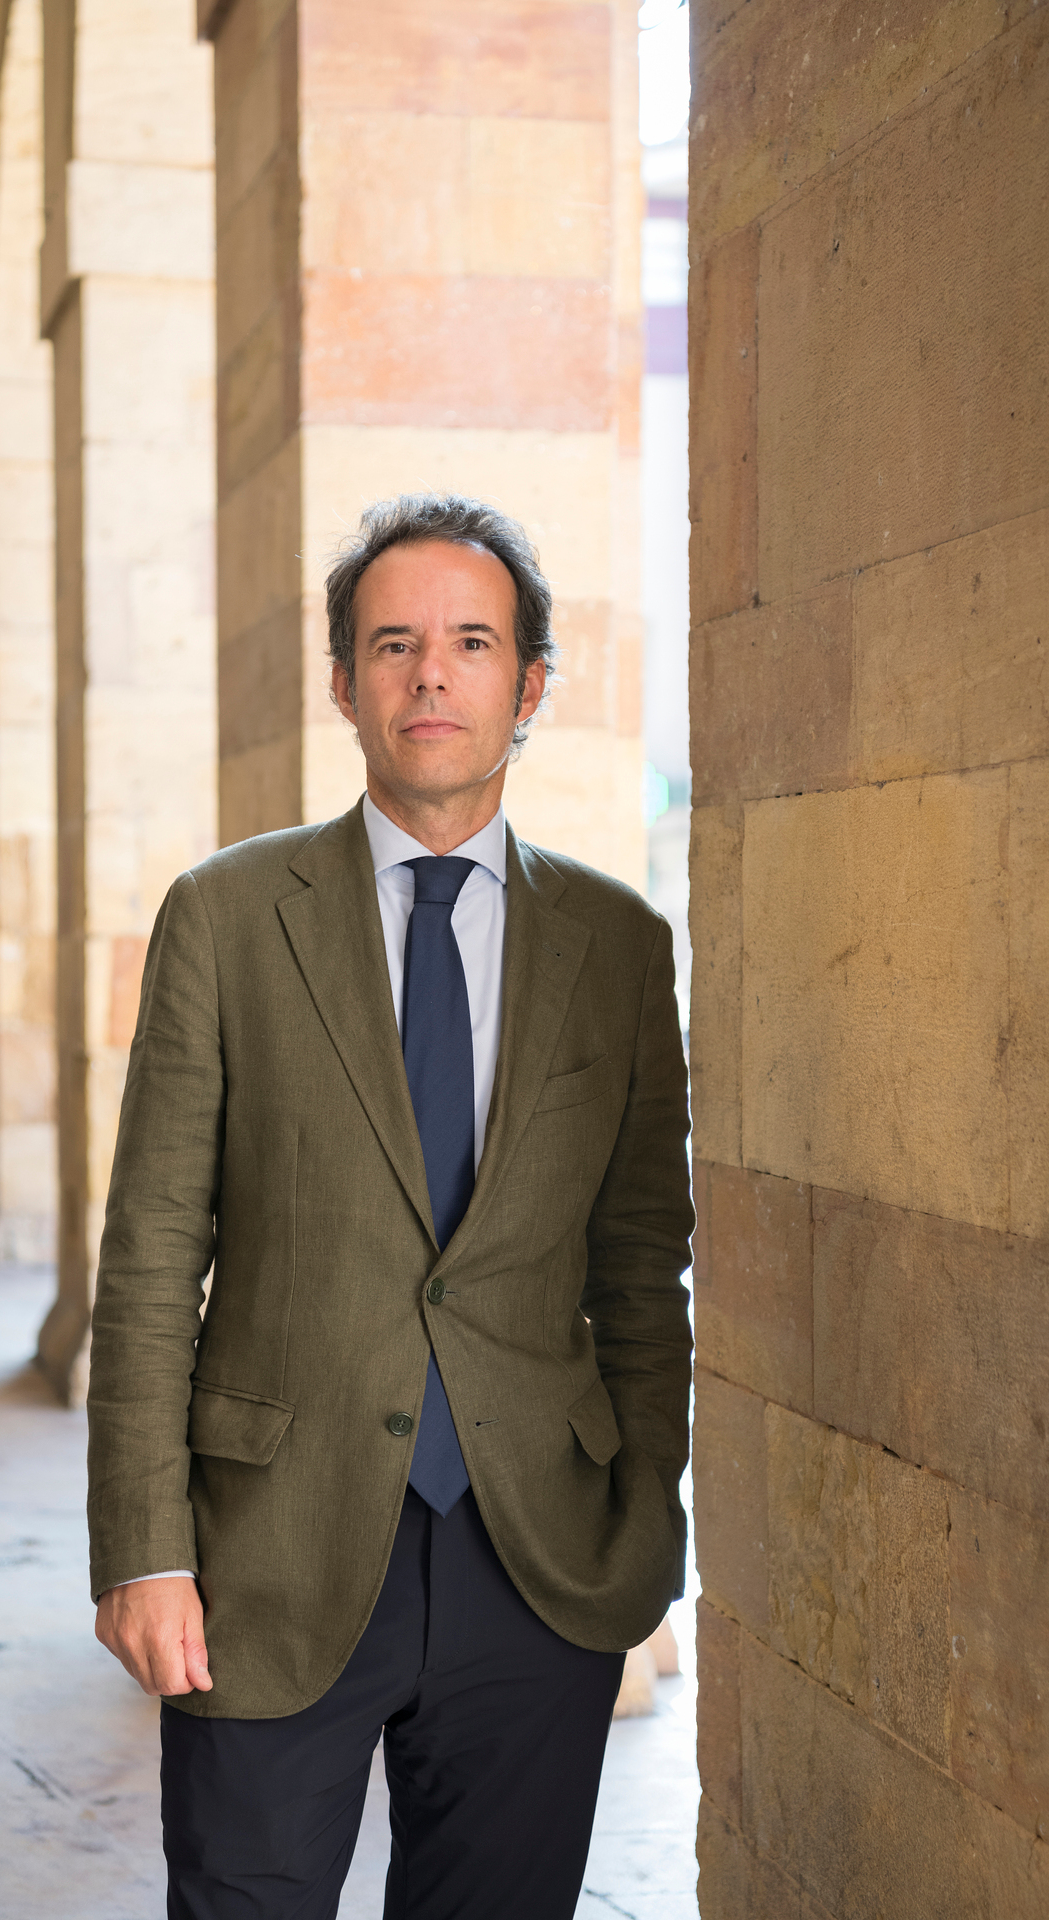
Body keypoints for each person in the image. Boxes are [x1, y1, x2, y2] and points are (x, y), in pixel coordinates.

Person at [87, 492, 695, 1919]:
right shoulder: (228, 918)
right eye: (394, 643)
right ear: (344, 681)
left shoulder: (617, 942)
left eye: (473, 643)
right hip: (269, 1554)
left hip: (536, 1563)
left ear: (529, 686)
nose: (433, 675)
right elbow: (152, 1256)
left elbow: (640, 1266)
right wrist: (144, 1548)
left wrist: (642, 1529)